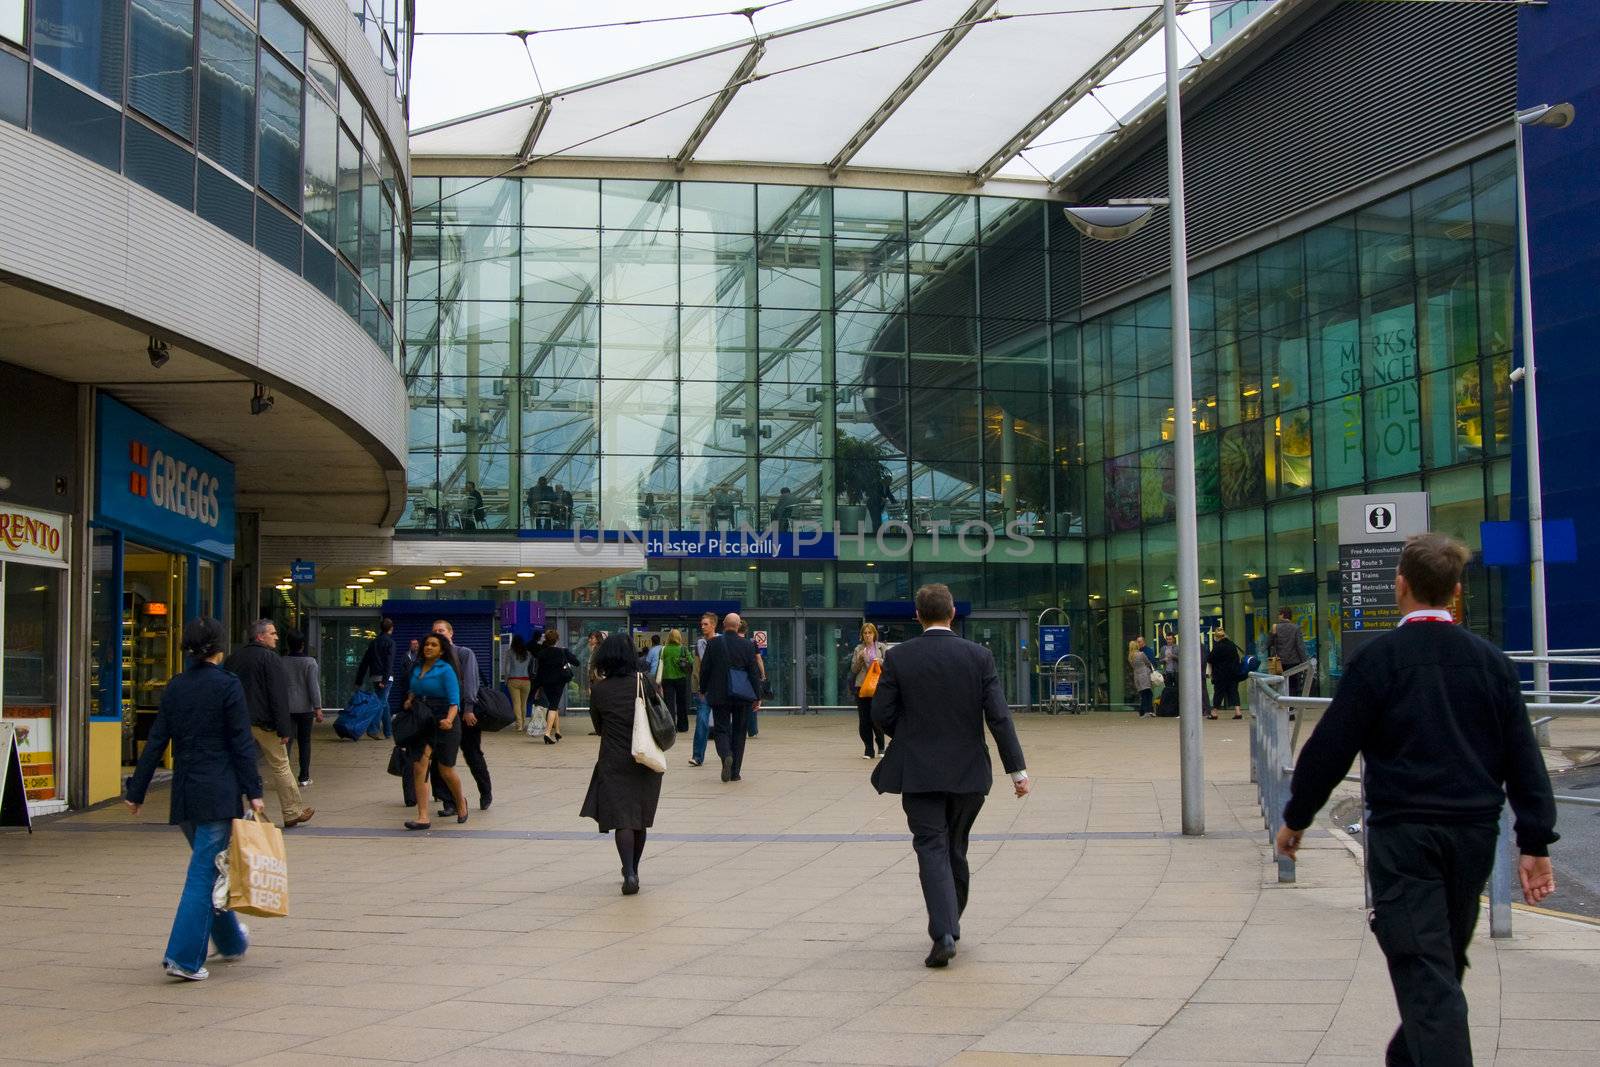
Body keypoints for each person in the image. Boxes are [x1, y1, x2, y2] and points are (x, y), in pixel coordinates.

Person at [1275, 532, 1558, 1067]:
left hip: (1404, 839)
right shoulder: (1491, 663)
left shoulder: (1379, 661)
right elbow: (1525, 758)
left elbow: (1329, 748)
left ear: (1400, 585)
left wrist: (1296, 819)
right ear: (1455, 592)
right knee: (1438, 969)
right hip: (1473, 838)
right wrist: (1535, 839)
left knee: (1429, 977)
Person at [870, 584, 1029, 968]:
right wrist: (1017, 771)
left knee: (932, 846)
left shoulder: (900, 657)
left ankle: (944, 931)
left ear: (917, 615)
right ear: (952, 613)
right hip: (967, 772)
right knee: (954, 846)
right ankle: (949, 924)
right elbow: (998, 716)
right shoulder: (978, 656)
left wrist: (908, 734)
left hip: (919, 772)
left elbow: (881, 714)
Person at [125, 616, 266, 982]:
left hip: (185, 794)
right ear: (220, 647)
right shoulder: (228, 686)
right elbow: (240, 743)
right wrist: (255, 793)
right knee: (204, 873)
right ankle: (184, 958)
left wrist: (137, 790)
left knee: (213, 866)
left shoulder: (176, 687)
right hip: (218, 793)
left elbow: (157, 741)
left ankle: (232, 941)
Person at [580, 632, 665, 895]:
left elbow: (599, 726)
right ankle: (635, 870)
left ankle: (627, 870)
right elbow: (660, 715)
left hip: (613, 758)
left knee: (622, 819)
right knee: (639, 818)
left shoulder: (600, 689)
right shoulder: (644, 682)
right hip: (645, 758)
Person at [224, 619, 313, 829]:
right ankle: (292, 811)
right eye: (272, 633)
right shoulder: (270, 659)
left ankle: (231, 811)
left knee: (235, 765)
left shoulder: (233, 659)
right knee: (280, 764)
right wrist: (284, 728)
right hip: (264, 722)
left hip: (237, 720)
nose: (276, 637)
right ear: (260, 636)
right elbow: (278, 696)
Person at [402, 632, 467, 830]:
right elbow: (414, 689)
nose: (428, 647)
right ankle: (423, 817)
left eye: (433, 645)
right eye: (426, 644)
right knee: (419, 766)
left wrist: (449, 719)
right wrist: (410, 699)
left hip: (445, 720)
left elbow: (454, 700)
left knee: (445, 770)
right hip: (423, 720)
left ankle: (460, 802)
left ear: (441, 651)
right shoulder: (417, 668)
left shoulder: (446, 670)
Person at [431, 619, 489, 816]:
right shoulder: (432, 657)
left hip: (464, 712)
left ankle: (485, 792)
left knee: (472, 753)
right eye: (435, 631)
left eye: (441, 630)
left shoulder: (463, 653)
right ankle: (449, 802)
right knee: (441, 758)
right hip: (441, 713)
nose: (438, 634)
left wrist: (469, 708)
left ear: (451, 633)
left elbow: (472, 680)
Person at [699, 611, 761, 783]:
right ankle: (735, 773)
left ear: (723, 625)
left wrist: (702, 689)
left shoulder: (713, 644)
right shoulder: (747, 645)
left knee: (721, 729)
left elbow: (705, 669)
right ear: (738, 625)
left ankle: (726, 755)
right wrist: (757, 696)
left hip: (719, 694)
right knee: (740, 732)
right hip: (742, 695)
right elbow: (753, 672)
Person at [281, 630, 323, 788]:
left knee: (287, 742)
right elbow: (313, 687)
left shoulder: (281, 661)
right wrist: (317, 707)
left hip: (287, 707)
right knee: (305, 742)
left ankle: (285, 777)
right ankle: (304, 776)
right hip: (305, 707)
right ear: (303, 645)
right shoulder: (310, 662)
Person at [534, 628, 579, 743]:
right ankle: (548, 733)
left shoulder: (541, 653)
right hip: (559, 682)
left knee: (554, 704)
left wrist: (538, 687)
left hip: (545, 683)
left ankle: (558, 731)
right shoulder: (562, 651)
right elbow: (576, 662)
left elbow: (538, 671)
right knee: (553, 706)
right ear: (557, 640)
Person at [354, 617, 396, 740]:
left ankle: (388, 732)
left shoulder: (373, 642)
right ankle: (373, 729)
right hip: (386, 678)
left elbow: (365, 662)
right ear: (391, 628)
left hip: (374, 677)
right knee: (380, 703)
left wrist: (359, 680)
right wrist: (385, 680)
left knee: (384, 703)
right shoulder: (390, 643)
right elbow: (389, 662)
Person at [851, 623, 887, 759]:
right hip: (862, 687)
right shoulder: (858, 649)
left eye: (870, 633)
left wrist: (880, 661)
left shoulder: (881, 647)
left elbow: (890, 665)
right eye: (865, 633)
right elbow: (853, 670)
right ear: (862, 635)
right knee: (864, 719)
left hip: (878, 686)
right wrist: (860, 659)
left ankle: (881, 746)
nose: (867, 635)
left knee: (876, 717)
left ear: (874, 634)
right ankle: (868, 749)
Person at [687, 612, 717, 767]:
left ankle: (727, 753)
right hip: (703, 689)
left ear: (713, 625)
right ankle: (697, 756)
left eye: (706, 624)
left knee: (723, 723)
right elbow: (697, 668)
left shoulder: (720, 642)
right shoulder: (699, 644)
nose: (702, 626)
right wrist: (697, 687)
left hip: (718, 689)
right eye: (702, 624)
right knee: (702, 721)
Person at [1268, 607, 1308, 696]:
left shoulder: (1275, 627)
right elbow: (1300, 646)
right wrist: (1305, 662)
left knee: (1279, 684)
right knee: (1293, 684)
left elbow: (1268, 644)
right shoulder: (1296, 628)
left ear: (1283, 615)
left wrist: (1273, 633)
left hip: (1278, 662)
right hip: (1293, 661)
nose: (1278, 616)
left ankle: (1282, 704)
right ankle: (1291, 705)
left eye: (1279, 614)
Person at [659, 629, 692, 733]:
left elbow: (661, 662)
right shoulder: (683, 649)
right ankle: (683, 726)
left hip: (667, 678)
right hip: (681, 678)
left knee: (669, 703)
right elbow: (691, 661)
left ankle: (671, 727)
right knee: (681, 702)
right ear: (679, 637)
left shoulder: (664, 649)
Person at [738, 618, 766, 738]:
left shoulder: (733, 641)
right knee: (752, 702)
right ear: (746, 629)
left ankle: (739, 729)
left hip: (737, 676)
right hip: (750, 676)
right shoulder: (751, 642)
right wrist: (763, 673)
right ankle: (752, 730)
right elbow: (758, 659)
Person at [502, 632, 535, 735]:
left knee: (516, 703)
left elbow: (507, 668)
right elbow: (531, 667)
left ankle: (519, 725)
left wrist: (506, 679)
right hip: (526, 681)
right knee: (524, 703)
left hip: (514, 680)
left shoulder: (509, 652)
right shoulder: (528, 653)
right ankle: (523, 723)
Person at [1207, 627, 1242, 720]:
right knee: (1234, 692)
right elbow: (1237, 658)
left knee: (1218, 693)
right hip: (1233, 673)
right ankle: (1238, 712)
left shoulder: (1218, 646)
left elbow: (1210, 659)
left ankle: (1214, 713)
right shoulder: (1232, 645)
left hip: (1221, 674)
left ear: (1217, 637)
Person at [1128, 636, 1154, 718]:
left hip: (1137, 675)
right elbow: (1148, 662)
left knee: (1143, 694)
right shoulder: (1141, 654)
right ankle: (1147, 711)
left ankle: (1142, 711)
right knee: (1148, 693)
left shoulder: (1130, 657)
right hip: (1144, 675)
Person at [1158, 633, 1180, 717]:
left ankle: (1178, 710)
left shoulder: (1177, 647)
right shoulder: (1163, 648)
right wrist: (1164, 659)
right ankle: (1169, 709)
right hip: (1167, 672)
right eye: (1167, 639)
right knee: (1168, 691)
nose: (1168, 641)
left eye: (1170, 639)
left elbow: (1182, 658)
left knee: (1178, 691)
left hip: (1176, 672)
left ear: (1173, 639)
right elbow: (1160, 660)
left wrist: (1173, 656)